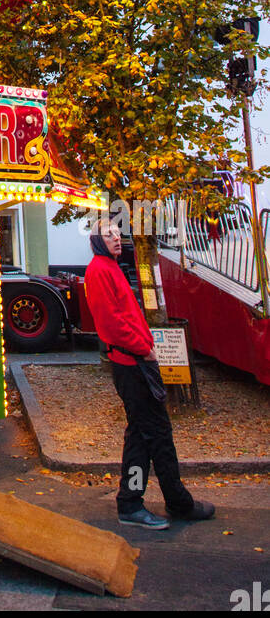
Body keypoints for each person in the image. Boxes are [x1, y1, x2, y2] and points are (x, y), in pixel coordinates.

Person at [83, 216, 214, 530]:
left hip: (135, 362)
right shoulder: (100, 271)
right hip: (132, 364)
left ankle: (134, 502)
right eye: (108, 234)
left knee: (141, 436)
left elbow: (124, 317)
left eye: (117, 232)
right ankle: (173, 503)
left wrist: (144, 348)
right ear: (97, 240)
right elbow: (112, 323)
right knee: (157, 434)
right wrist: (145, 349)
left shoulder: (108, 268)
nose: (116, 238)